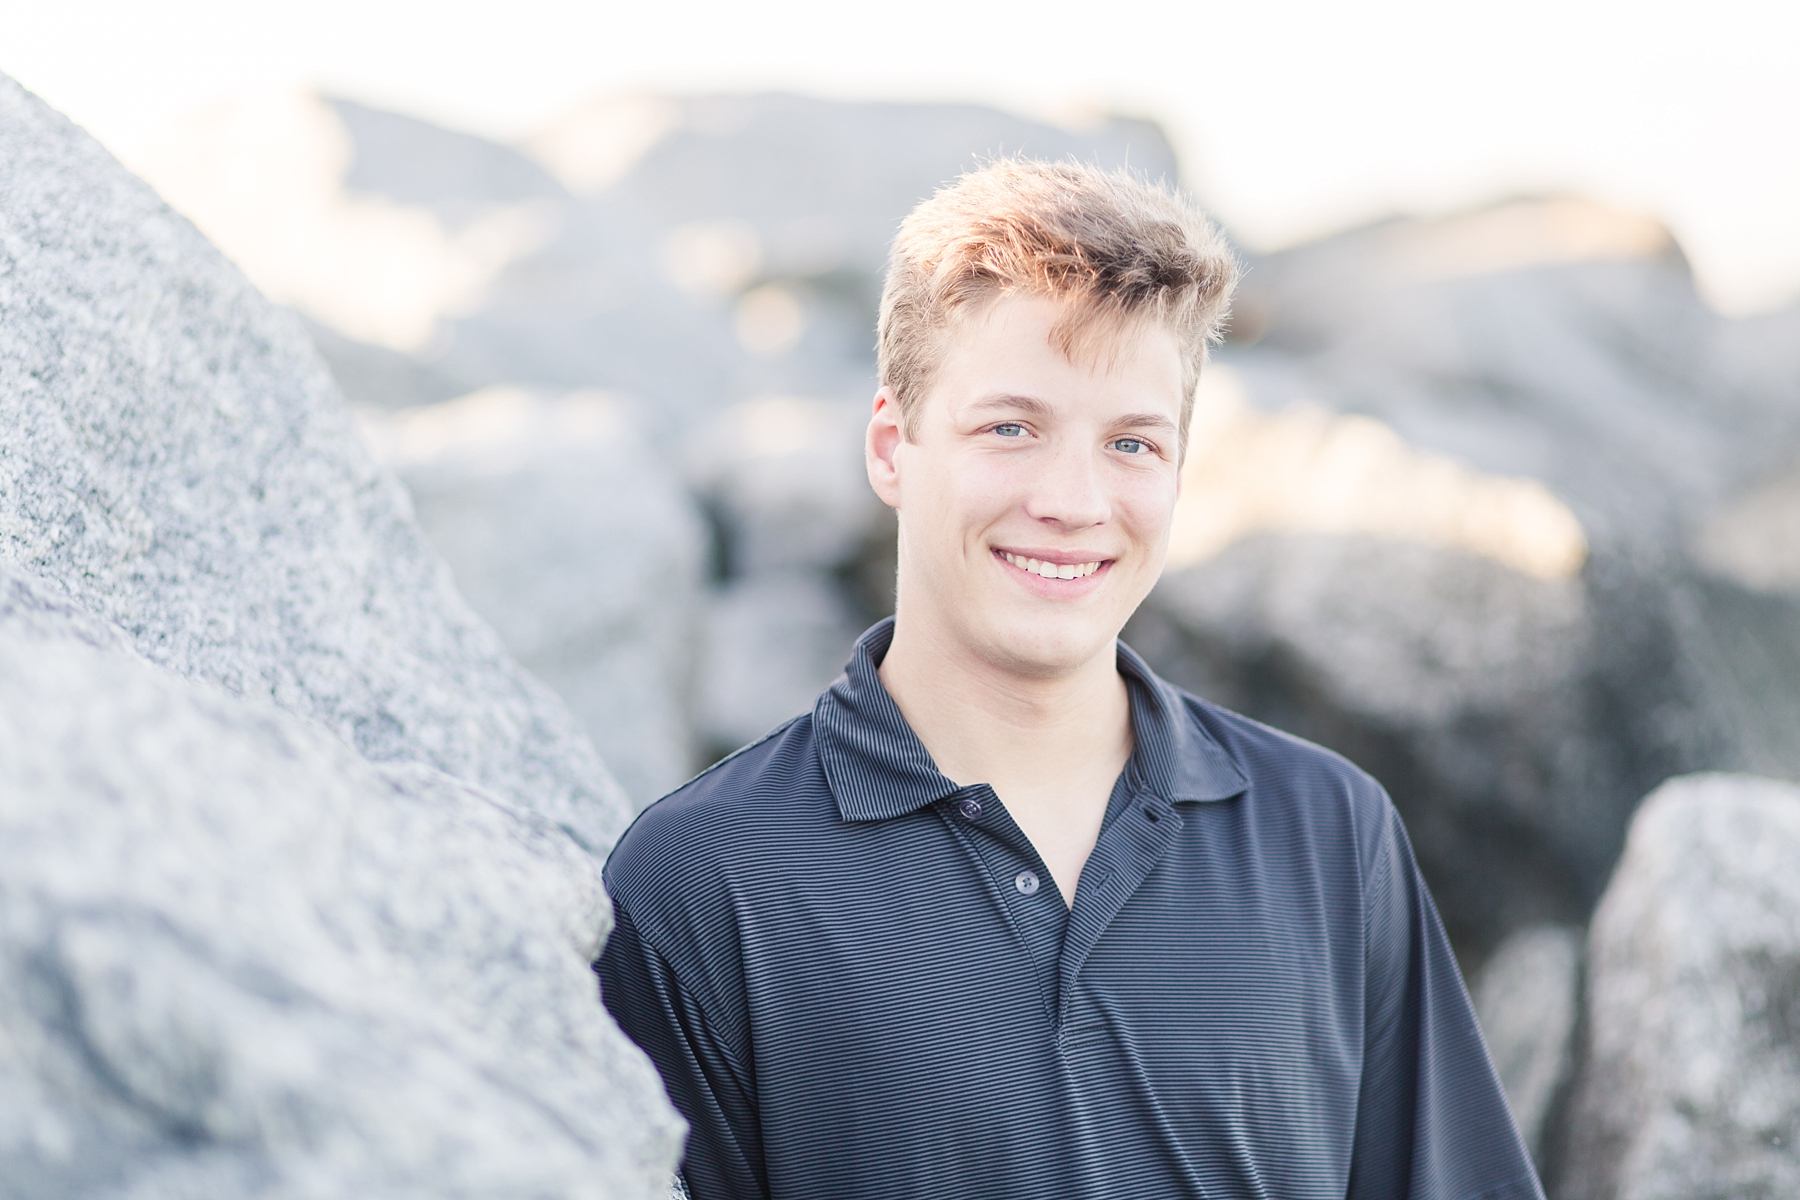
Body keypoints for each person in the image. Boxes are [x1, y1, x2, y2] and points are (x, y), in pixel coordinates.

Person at [598, 159, 1542, 1200]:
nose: (1075, 500)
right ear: (890, 447)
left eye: (1132, 443)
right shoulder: (699, 882)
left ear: (1181, 472)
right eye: (1011, 427)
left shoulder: (1330, 835)